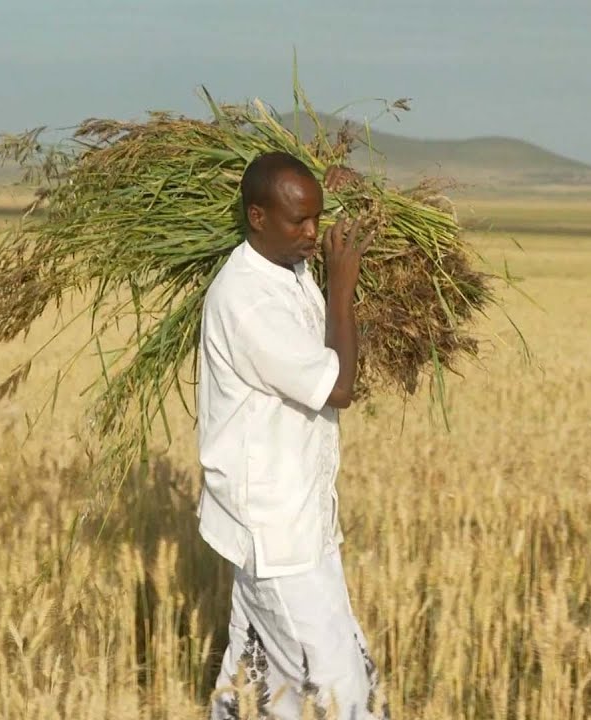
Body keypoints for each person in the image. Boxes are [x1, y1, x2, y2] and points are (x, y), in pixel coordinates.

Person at [196, 151, 389, 720]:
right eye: (299, 222)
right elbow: (340, 386)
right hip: (274, 528)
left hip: (302, 517)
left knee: (259, 678)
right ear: (257, 217)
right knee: (333, 683)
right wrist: (344, 285)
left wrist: (350, 190)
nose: (313, 234)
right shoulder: (246, 300)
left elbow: (330, 220)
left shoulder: (287, 266)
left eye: (317, 219)